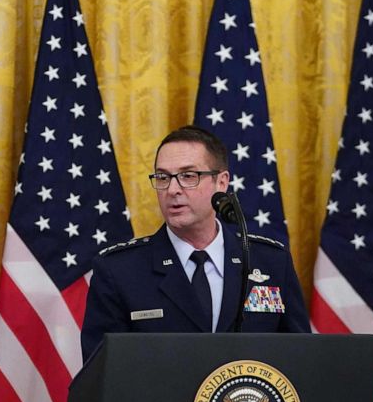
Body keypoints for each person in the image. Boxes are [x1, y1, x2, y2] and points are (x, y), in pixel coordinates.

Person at [81, 125, 310, 361]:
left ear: (221, 183)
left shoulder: (270, 262)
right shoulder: (119, 271)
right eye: (162, 177)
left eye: (188, 176)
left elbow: (300, 359)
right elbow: (102, 375)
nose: (172, 190)